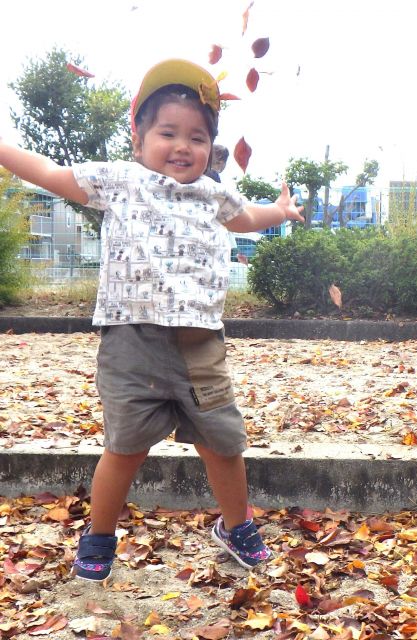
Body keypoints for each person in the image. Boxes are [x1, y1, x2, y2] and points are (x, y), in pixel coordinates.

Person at [0, 58, 304, 579]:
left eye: (198, 137)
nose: (184, 146)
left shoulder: (214, 194)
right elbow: (50, 173)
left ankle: (236, 525)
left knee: (223, 445)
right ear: (138, 139)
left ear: (211, 148)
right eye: (168, 132)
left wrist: (281, 210)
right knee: (125, 450)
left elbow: (250, 216)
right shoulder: (120, 181)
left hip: (200, 346)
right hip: (131, 344)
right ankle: (98, 537)